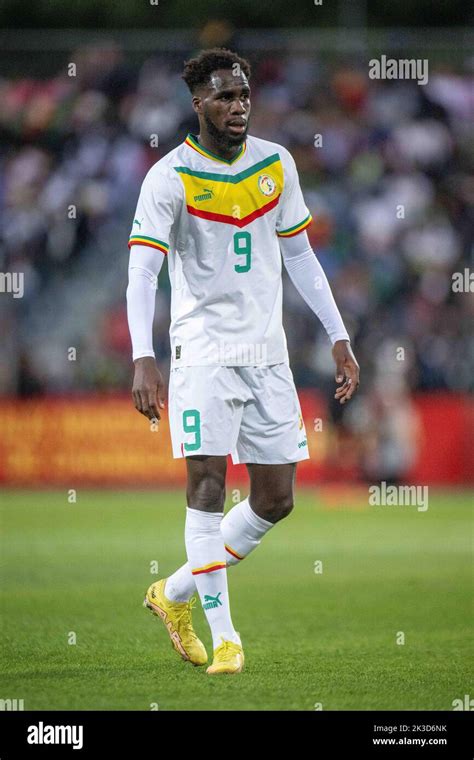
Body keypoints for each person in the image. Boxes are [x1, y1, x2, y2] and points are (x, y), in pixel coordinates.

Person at [126, 48, 360, 675]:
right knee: (207, 487)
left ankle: (172, 593)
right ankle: (226, 638)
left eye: (244, 95)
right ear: (197, 103)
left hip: (267, 354)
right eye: (224, 97)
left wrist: (338, 335)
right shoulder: (168, 177)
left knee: (276, 499)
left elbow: (302, 257)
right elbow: (143, 270)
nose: (238, 106)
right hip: (201, 353)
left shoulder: (276, 164)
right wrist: (143, 356)